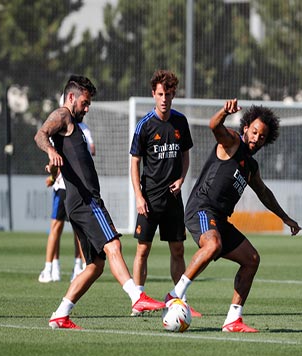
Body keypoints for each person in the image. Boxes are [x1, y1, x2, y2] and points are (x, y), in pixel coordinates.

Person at [34, 75, 165, 329]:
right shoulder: (63, 115)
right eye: (84, 102)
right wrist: (50, 150)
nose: (87, 107)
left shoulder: (75, 124)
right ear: (71, 97)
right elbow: (40, 134)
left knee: (95, 266)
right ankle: (137, 297)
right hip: (87, 201)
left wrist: (54, 162)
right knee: (113, 244)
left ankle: (60, 314)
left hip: (77, 201)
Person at [164, 99, 302, 333]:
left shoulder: (251, 166)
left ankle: (232, 320)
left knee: (252, 260)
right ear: (246, 127)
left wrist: (285, 218)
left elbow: (264, 193)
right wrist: (224, 112)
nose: (257, 138)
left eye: (262, 136)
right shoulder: (232, 142)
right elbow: (213, 126)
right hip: (201, 208)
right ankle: (175, 294)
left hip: (219, 218)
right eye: (255, 131)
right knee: (213, 244)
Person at [129, 70, 200, 316]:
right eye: (160, 94)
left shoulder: (180, 122)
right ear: (153, 94)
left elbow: (185, 156)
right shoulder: (145, 125)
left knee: (178, 249)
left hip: (173, 199)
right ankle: (138, 299)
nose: (164, 99)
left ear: (173, 95)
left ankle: (180, 298)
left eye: (168, 95)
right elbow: (134, 162)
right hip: (149, 198)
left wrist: (181, 179)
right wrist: (139, 196)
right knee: (142, 249)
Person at [38, 120, 96, 283]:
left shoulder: (75, 128)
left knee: (64, 228)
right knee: (71, 228)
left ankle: (61, 267)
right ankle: (58, 267)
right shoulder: (78, 128)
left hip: (67, 185)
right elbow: (91, 149)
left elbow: (57, 156)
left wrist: (52, 175)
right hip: (72, 185)